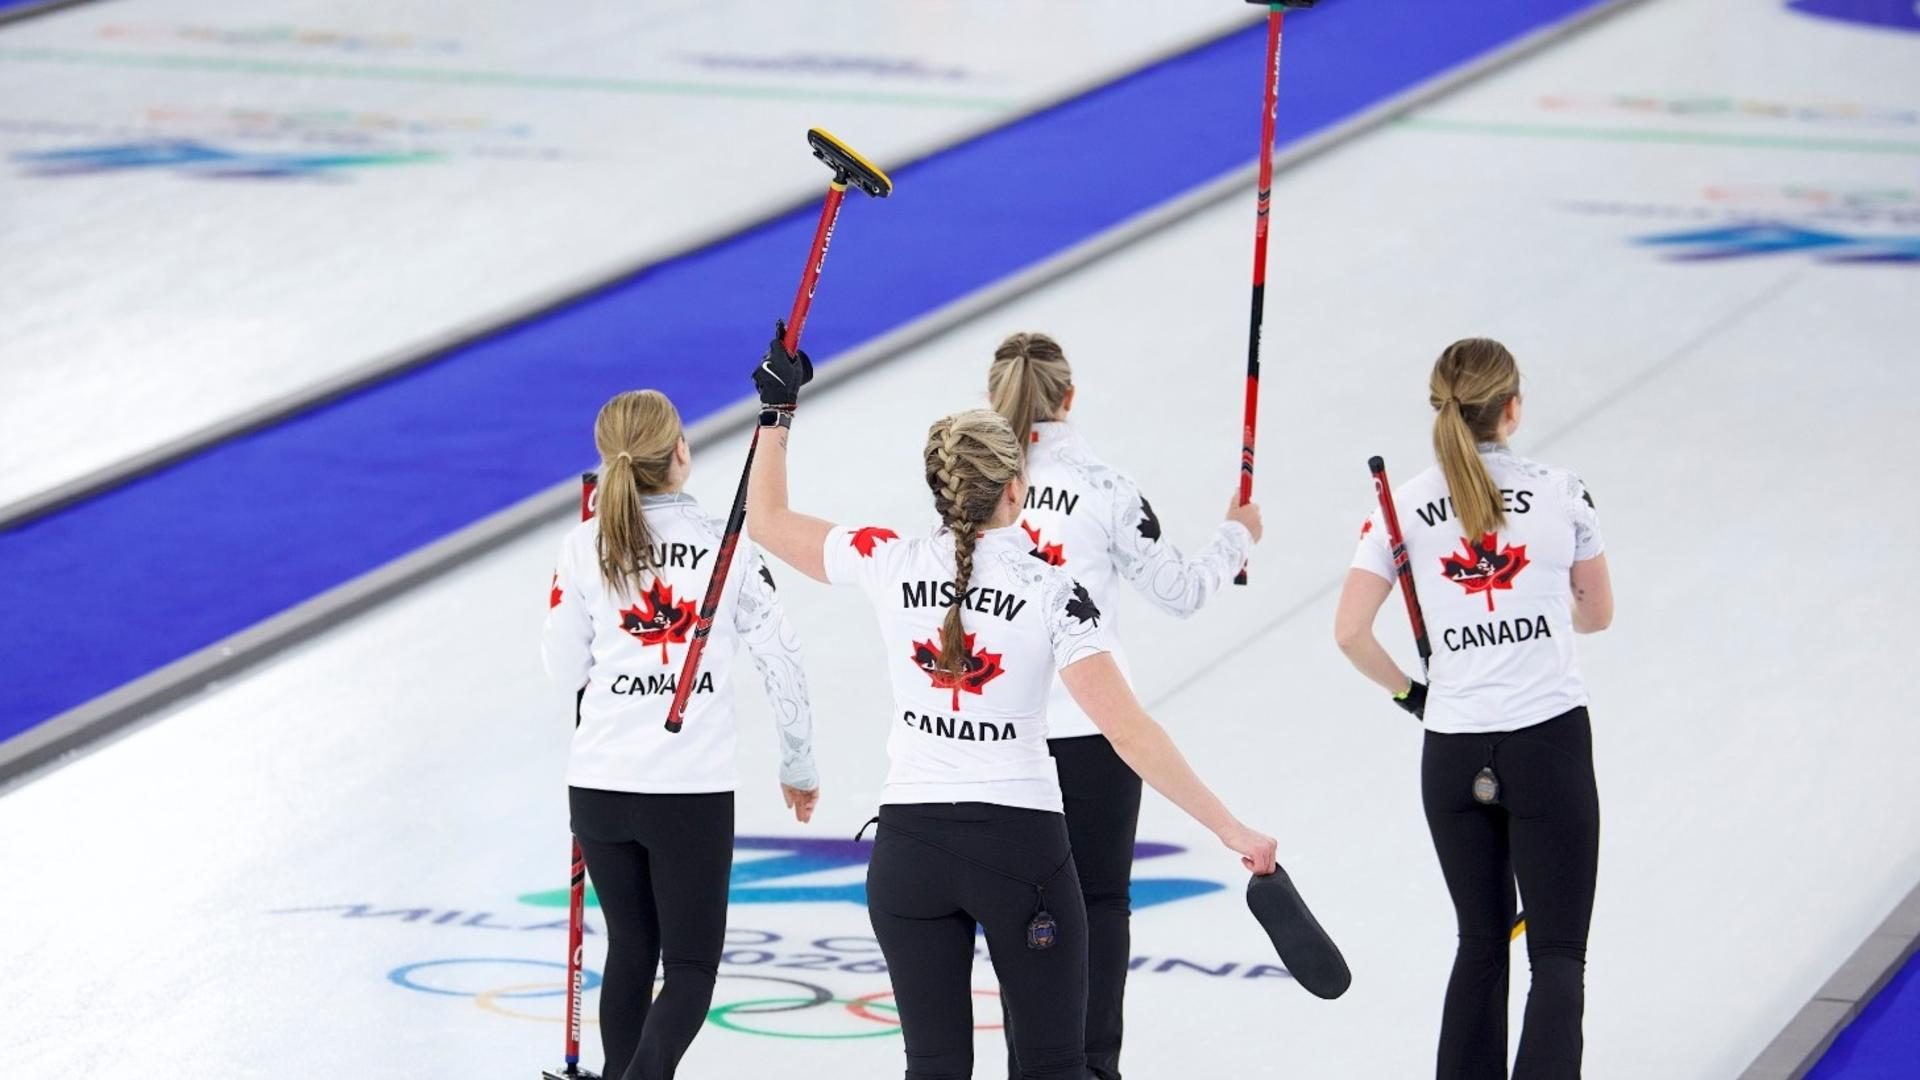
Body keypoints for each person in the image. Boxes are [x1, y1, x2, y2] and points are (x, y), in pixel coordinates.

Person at [742, 324, 1279, 1080]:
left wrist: (776, 414)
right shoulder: (1055, 592)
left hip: (908, 856)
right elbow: (1126, 730)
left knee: (933, 1069)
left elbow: (766, 521)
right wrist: (1229, 826)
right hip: (1020, 857)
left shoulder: (886, 559)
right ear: (1016, 489)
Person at [985, 331, 1262, 1079]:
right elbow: (1180, 593)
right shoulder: (1105, 488)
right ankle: (1092, 1067)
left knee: (1019, 909)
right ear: (1069, 397)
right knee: (1100, 903)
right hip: (1092, 728)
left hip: (998, 731)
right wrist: (1236, 536)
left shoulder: (975, 479)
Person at [1334, 339, 1613, 1079]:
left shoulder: (1402, 508)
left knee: (1481, 945)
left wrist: (1413, 695)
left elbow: (1350, 634)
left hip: (1453, 748)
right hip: (1546, 741)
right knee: (1556, 955)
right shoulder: (1562, 491)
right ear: (1512, 409)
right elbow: (1598, 615)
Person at [542, 389, 819, 1080]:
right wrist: (798, 762)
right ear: (681, 456)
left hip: (602, 786)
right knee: (690, 968)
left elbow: (562, 667)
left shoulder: (584, 544)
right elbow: (781, 656)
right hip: (685, 791)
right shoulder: (722, 548)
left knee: (631, 950)